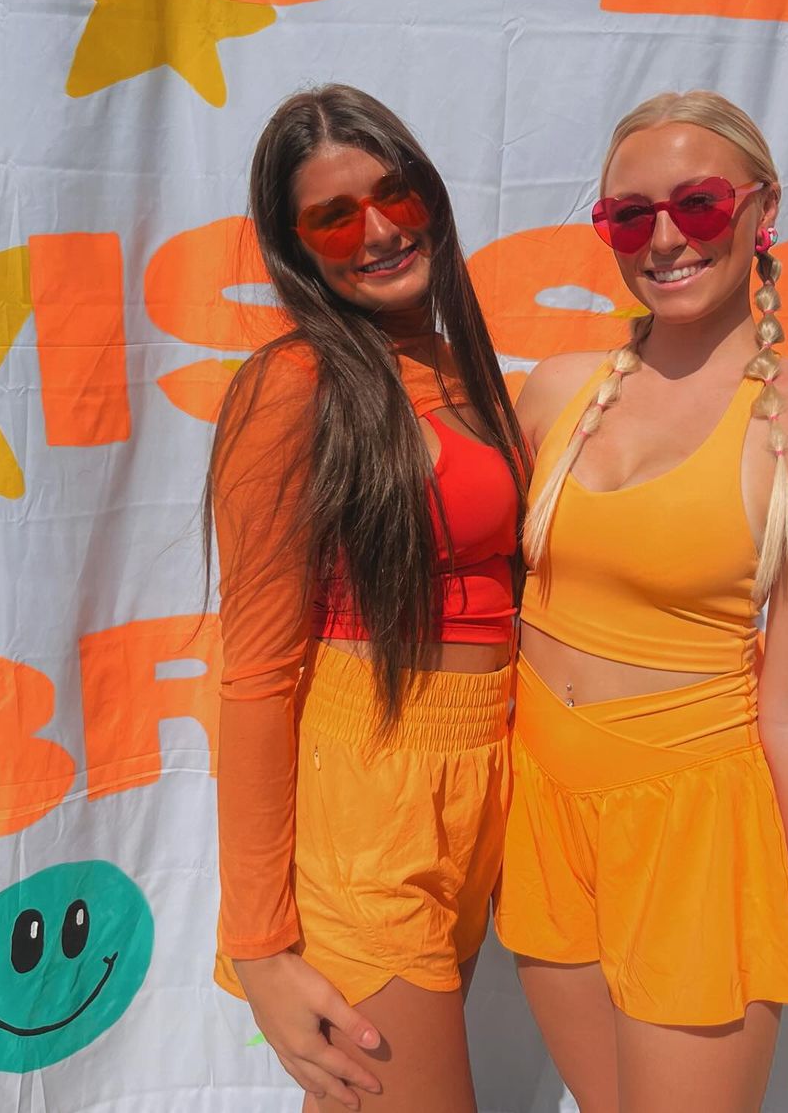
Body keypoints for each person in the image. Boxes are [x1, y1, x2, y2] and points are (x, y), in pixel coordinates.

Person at [494, 91, 788, 1113]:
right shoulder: (555, 391)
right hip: (544, 814)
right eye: (628, 217)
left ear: (760, 208)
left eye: (696, 204)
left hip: (695, 833)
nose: (663, 240)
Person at [207, 85, 528, 1112]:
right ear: (296, 248)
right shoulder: (294, 384)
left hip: (482, 774)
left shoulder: (465, 370)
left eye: (396, 193)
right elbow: (256, 674)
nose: (381, 231)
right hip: (369, 785)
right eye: (335, 217)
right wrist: (259, 945)